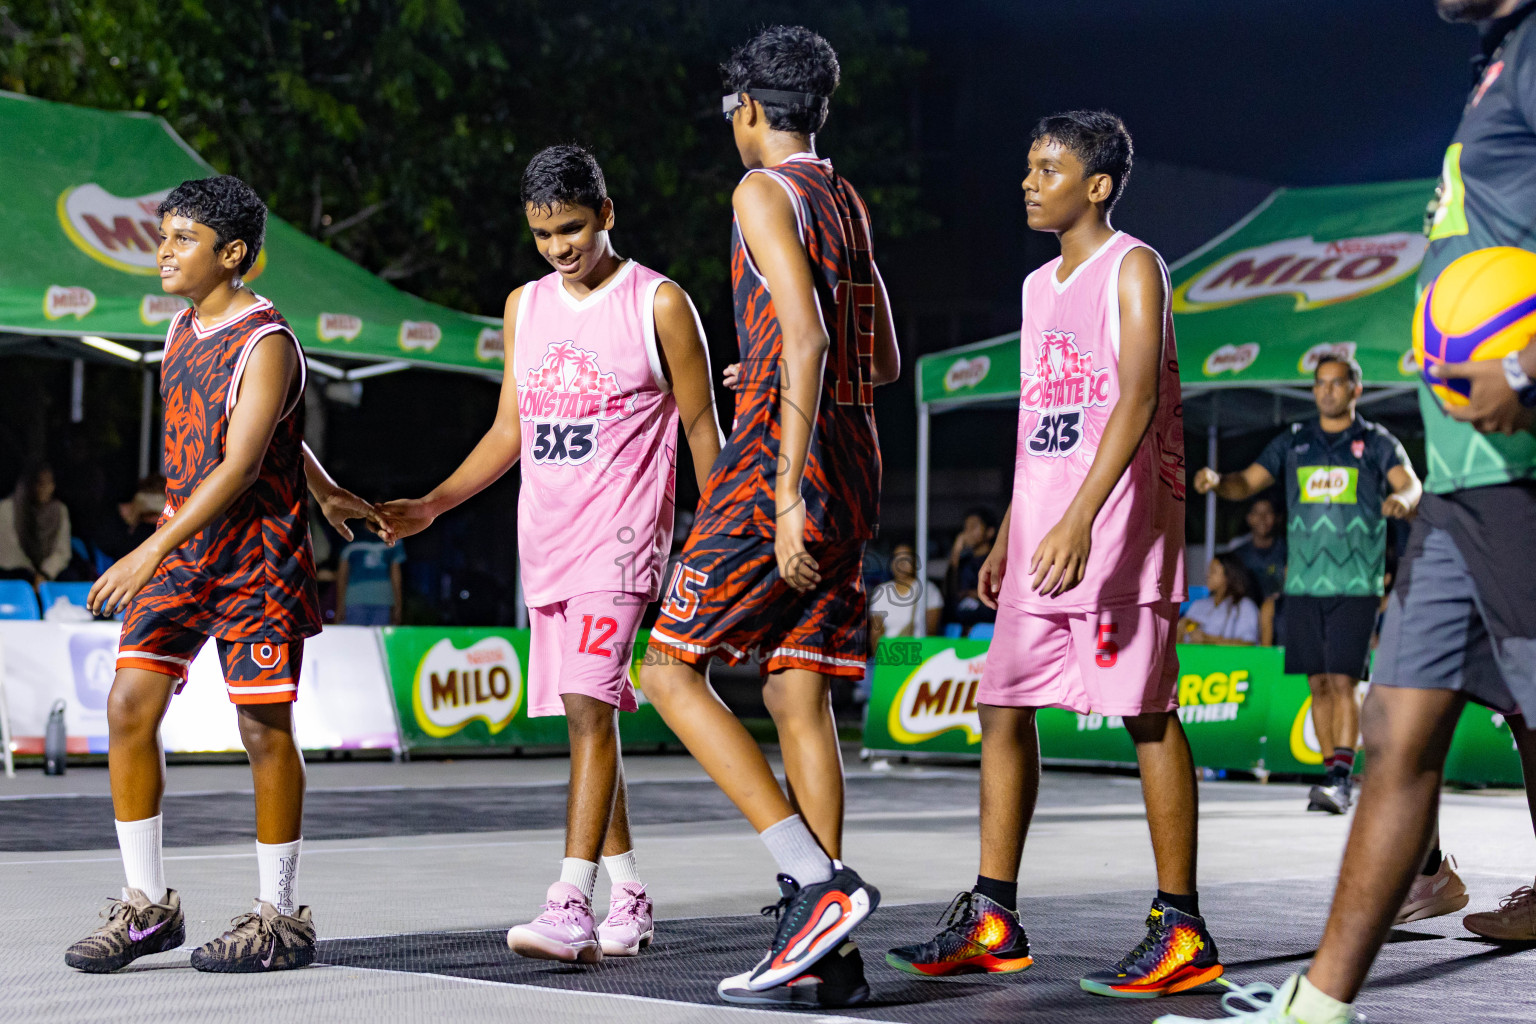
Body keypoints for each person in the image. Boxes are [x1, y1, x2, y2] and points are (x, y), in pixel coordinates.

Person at [1157, 4, 1536, 1022]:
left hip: (1519, 472)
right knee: (1392, 730)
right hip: (1463, 482)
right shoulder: (1497, 61)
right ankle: (1318, 1005)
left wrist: (1522, 367)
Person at [888, 110, 1212, 1001]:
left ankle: (1183, 927)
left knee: (1147, 715)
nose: (1029, 182)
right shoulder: (1038, 287)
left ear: (1097, 186)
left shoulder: (1135, 266)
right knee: (1002, 705)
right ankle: (994, 917)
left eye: (1049, 168)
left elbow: (1136, 397)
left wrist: (1077, 518)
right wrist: (1012, 529)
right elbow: (1042, 420)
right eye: (1028, 166)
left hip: (1115, 534)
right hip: (1045, 533)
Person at [377, 145, 723, 965]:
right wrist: (434, 503)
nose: (559, 247)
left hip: (622, 543)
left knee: (587, 707)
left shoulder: (659, 303)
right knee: (584, 718)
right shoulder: (524, 306)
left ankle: (570, 903)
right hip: (548, 544)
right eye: (542, 234)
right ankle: (628, 893)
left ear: (607, 213)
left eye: (572, 228)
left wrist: (724, 535)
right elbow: (510, 428)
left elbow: (702, 427)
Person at [62, 175, 385, 976]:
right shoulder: (181, 326)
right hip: (187, 550)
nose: (164, 251)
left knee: (262, 730)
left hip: (253, 559)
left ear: (233, 253)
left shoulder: (266, 341)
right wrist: (324, 485)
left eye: (183, 239)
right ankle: (147, 907)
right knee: (128, 705)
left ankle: (280, 916)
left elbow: (242, 463)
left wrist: (147, 550)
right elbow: (267, 430)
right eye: (163, 236)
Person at [637, 25, 900, 1008]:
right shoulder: (845, 200)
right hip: (857, 466)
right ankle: (827, 950)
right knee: (797, 694)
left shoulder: (761, 191)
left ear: (747, 107)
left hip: (779, 472)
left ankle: (813, 880)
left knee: (667, 668)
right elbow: (879, 360)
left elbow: (811, 335)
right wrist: (769, 364)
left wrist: (785, 489)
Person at [1194, 355, 1421, 814]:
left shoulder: (1376, 442)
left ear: (1355, 390)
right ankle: (1329, 775)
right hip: (1302, 584)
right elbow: (1247, 482)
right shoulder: (1295, 442)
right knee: (1317, 683)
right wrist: (1219, 482)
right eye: (1320, 383)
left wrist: (1401, 498)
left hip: (1355, 584)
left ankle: (1342, 779)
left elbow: (1411, 484)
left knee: (1343, 680)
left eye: (1337, 383)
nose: (1326, 391)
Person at [0, 463, 73, 584]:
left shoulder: (59, 510)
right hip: (16, 572)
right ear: (28, 484)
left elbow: (63, 551)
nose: (46, 488)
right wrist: (33, 576)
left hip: (49, 574)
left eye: (50, 483)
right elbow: (10, 553)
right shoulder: (7, 508)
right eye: (40, 483)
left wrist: (45, 573)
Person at [869, 541, 943, 642]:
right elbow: (876, 632)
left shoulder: (929, 590)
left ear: (915, 562)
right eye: (897, 558)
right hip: (890, 650)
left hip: (918, 648)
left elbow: (931, 631)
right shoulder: (881, 592)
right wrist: (880, 652)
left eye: (906, 558)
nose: (901, 563)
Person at [1180, 554, 1260, 646]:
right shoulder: (1198, 605)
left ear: (1229, 575)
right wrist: (1180, 629)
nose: (1208, 575)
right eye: (1208, 571)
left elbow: (1248, 643)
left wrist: (1207, 639)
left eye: (1213, 571)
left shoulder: (1244, 606)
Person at [945, 508, 998, 631]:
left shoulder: (996, 560)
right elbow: (949, 592)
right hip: (961, 626)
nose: (967, 532)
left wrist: (974, 593)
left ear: (989, 532)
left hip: (988, 626)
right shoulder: (963, 562)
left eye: (973, 527)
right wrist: (956, 552)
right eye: (966, 527)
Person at [1224, 497, 1287, 601]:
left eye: (1268, 512)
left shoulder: (1288, 551)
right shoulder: (1238, 554)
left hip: (1280, 607)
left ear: (1277, 518)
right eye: (1256, 513)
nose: (1262, 518)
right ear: (1249, 518)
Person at [335, 535, 404, 626]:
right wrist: (340, 605)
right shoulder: (348, 536)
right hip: (356, 600)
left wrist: (398, 605)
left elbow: (396, 575)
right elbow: (342, 575)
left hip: (382, 601)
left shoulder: (394, 537)